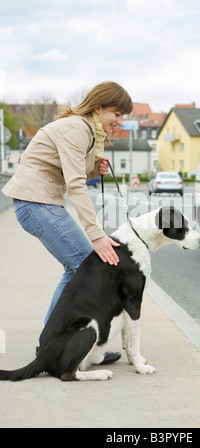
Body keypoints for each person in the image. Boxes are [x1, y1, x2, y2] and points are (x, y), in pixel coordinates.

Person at [2, 81, 133, 364]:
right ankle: (51, 346)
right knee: (81, 265)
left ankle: (53, 343)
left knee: (77, 267)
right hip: (37, 204)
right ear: (98, 108)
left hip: (40, 202)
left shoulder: (86, 130)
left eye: (124, 117)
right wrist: (96, 233)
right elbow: (74, 185)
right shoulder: (77, 128)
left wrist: (92, 170)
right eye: (117, 114)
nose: (120, 122)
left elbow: (63, 170)